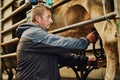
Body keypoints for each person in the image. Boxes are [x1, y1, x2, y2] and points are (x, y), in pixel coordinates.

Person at [16, 5, 98, 80]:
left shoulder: (34, 36)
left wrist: (84, 60)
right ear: (38, 18)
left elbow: (61, 57)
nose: (51, 21)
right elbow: (62, 43)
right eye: (48, 17)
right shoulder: (33, 34)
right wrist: (86, 41)